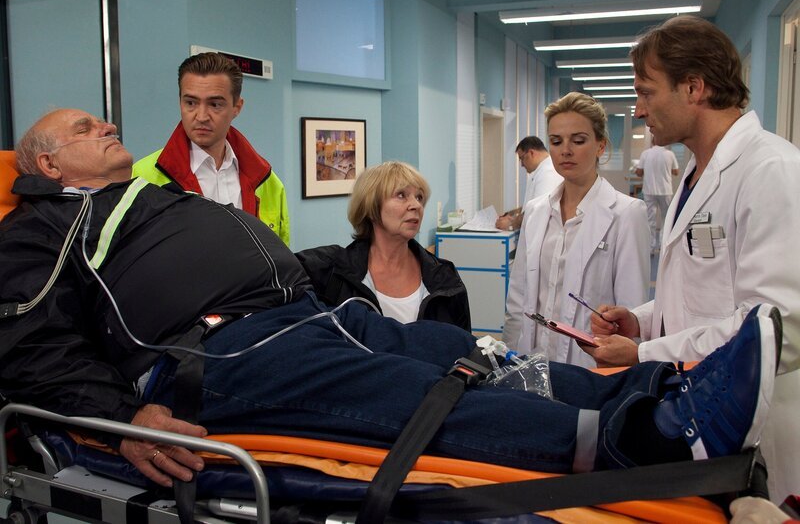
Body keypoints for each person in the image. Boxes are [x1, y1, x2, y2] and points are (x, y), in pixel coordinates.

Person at [0, 108, 778, 490]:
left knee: (465, 352)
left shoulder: (143, 196)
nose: (106, 123)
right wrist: (121, 414)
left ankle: (661, 389)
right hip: (217, 353)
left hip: (306, 315)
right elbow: (30, 343)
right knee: (419, 390)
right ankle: (642, 441)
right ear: (47, 163)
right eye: (84, 126)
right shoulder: (39, 229)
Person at [585, 15, 800, 501]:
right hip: (695, 410)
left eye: (646, 92)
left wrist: (643, 355)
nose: (639, 110)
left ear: (694, 88)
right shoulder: (695, 173)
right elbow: (702, 290)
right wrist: (641, 321)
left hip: (755, 427)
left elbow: (775, 329)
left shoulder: (771, 169)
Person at [503, 92, 649, 368]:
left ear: (600, 146)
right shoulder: (536, 212)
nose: (565, 150)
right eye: (556, 141)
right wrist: (510, 361)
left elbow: (632, 311)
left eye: (578, 141)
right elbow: (518, 298)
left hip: (589, 366)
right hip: (532, 362)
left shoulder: (627, 214)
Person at [132, 52, 290, 245]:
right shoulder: (141, 177)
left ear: (237, 107)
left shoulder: (268, 182)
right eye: (191, 103)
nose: (201, 116)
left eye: (215, 104)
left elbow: (280, 257)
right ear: (180, 102)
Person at [296, 161, 470, 330]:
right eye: (401, 195)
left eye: (419, 197)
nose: (416, 205)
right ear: (371, 207)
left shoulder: (445, 278)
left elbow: (462, 345)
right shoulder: (330, 270)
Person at [495, 136, 562, 231]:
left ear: (531, 153)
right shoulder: (540, 171)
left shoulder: (548, 173)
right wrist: (512, 213)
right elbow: (532, 204)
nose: (522, 164)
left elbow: (538, 210)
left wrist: (511, 224)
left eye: (521, 158)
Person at [636, 141, 679, 252]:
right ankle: (662, 245)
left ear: (652, 142)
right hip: (666, 190)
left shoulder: (645, 153)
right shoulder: (670, 154)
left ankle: (650, 247)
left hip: (649, 190)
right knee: (666, 218)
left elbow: (639, 172)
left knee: (650, 219)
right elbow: (676, 172)